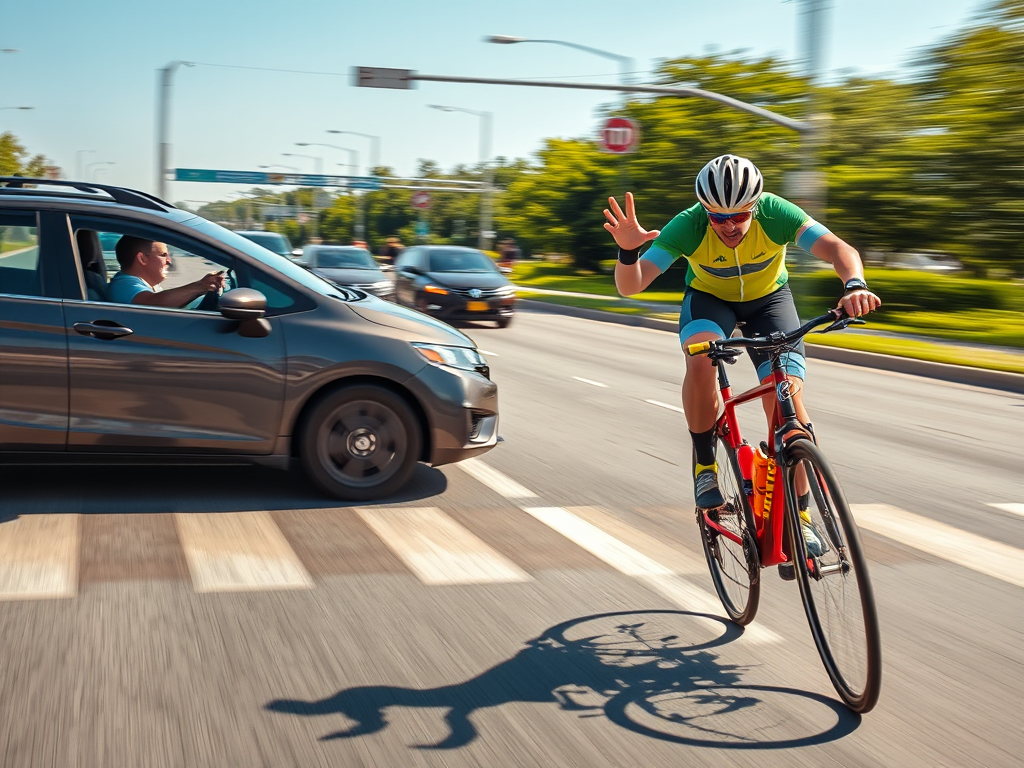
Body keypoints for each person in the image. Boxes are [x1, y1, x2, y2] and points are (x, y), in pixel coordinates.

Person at [603, 154, 881, 517]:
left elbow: (837, 248)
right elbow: (633, 285)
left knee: (787, 408)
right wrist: (628, 251)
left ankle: (802, 516)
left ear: (755, 206)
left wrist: (854, 285)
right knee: (701, 358)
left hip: (769, 302)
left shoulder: (776, 213)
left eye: (740, 215)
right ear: (705, 210)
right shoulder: (688, 225)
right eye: (718, 217)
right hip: (710, 301)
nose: (730, 225)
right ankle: (705, 465)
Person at [108, 235, 225, 308]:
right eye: (163, 255)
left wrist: (201, 289)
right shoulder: (124, 284)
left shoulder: (143, 284)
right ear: (142, 259)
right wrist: (200, 286)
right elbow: (152, 304)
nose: (169, 261)